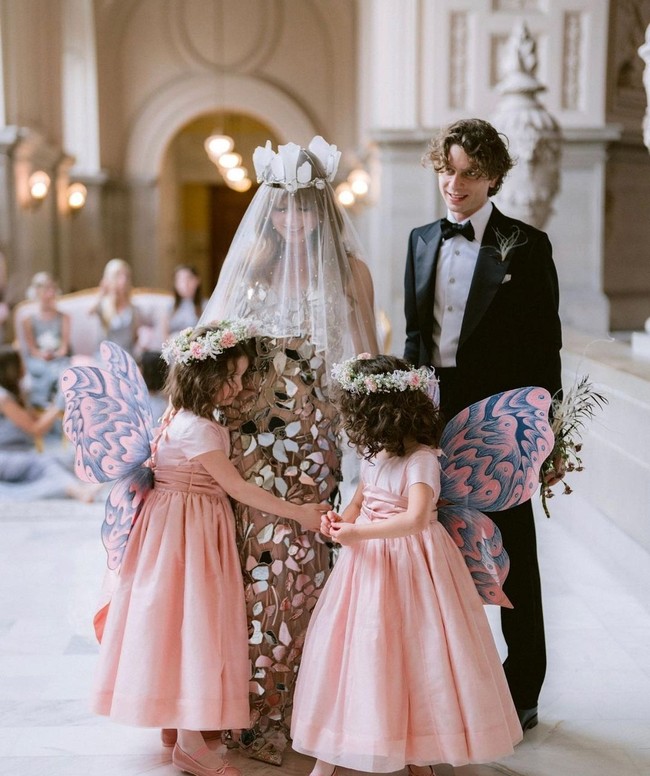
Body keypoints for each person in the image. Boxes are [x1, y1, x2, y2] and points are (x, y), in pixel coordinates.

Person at [199, 136, 379, 764]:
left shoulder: (353, 273)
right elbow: (214, 350)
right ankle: (248, 705)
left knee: (307, 564)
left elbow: (364, 361)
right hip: (256, 440)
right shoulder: (254, 266)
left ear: (324, 205)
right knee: (255, 566)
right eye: (282, 207)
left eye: (305, 206)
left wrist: (368, 449)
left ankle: (310, 706)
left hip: (318, 441)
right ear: (268, 210)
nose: (293, 219)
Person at [91, 321, 327, 776]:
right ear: (202, 377)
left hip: (176, 531)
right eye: (230, 377)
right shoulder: (197, 429)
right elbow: (237, 487)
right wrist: (299, 513)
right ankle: (191, 744)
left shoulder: (175, 416)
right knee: (195, 626)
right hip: (188, 537)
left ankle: (176, 724)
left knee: (174, 625)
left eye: (241, 377)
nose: (237, 387)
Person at [403, 117, 563, 731]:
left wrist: (540, 436)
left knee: (513, 553)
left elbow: (544, 348)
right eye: (447, 168)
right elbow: (418, 337)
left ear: (493, 176)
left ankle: (523, 686)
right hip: (433, 416)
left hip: (500, 420)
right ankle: (441, 679)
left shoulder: (526, 244)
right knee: (435, 548)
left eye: (469, 172)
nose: (454, 182)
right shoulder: (420, 239)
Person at [290, 354, 522, 776]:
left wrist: (358, 534)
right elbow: (361, 499)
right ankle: (329, 759)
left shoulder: (422, 459)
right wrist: (342, 519)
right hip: (369, 566)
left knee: (418, 651)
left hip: (414, 562)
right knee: (359, 651)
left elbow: (416, 517)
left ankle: (419, 757)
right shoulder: (374, 453)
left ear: (382, 412)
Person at [0, 345, 99, 501]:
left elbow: (37, 419)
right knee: (45, 464)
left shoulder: (15, 394)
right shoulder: (3, 398)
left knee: (63, 460)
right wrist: (59, 403)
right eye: (21, 362)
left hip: (20, 454)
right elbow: (36, 429)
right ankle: (77, 491)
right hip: (6, 456)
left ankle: (81, 484)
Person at [21, 272, 71, 408]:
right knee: (43, 370)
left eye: (52, 289)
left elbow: (64, 348)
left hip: (59, 359)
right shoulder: (28, 320)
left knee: (59, 371)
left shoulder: (64, 317)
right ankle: (43, 405)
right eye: (46, 289)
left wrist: (54, 355)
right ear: (37, 292)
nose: (50, 293)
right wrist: (42, 355)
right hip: (38, 360)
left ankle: (56, 406)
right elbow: (32, 349)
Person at [90, 258, 140, 356]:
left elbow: (135, 338)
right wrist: (101, 293)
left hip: (126, 356)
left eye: (126, 276)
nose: (124, 280)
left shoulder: (133, 308)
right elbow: (89, 312)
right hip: (105, 356)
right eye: (119, 275)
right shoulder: (103, 305)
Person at [163, 264, 207, 340]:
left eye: (189, 279)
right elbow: (164, 335)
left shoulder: (205, 305)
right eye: (180, 280)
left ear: (197, 280)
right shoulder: (170, 306)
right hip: (172, 347)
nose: (185, 284)